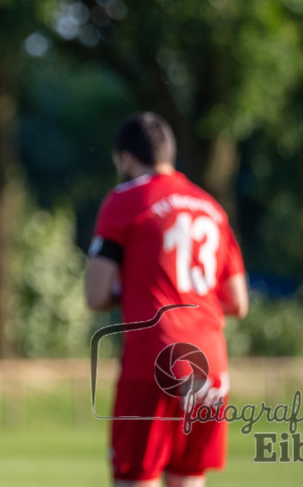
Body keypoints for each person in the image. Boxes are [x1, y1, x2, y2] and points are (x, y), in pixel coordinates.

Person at [84, 112, 248, 487]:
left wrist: (140, 289)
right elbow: (238, 301)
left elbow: (95, 294)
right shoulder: (211, 206)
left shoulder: (125, 199)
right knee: (188, 478)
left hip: (155, 359)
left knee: (136, 478)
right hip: (211, 362)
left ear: (126, 158)